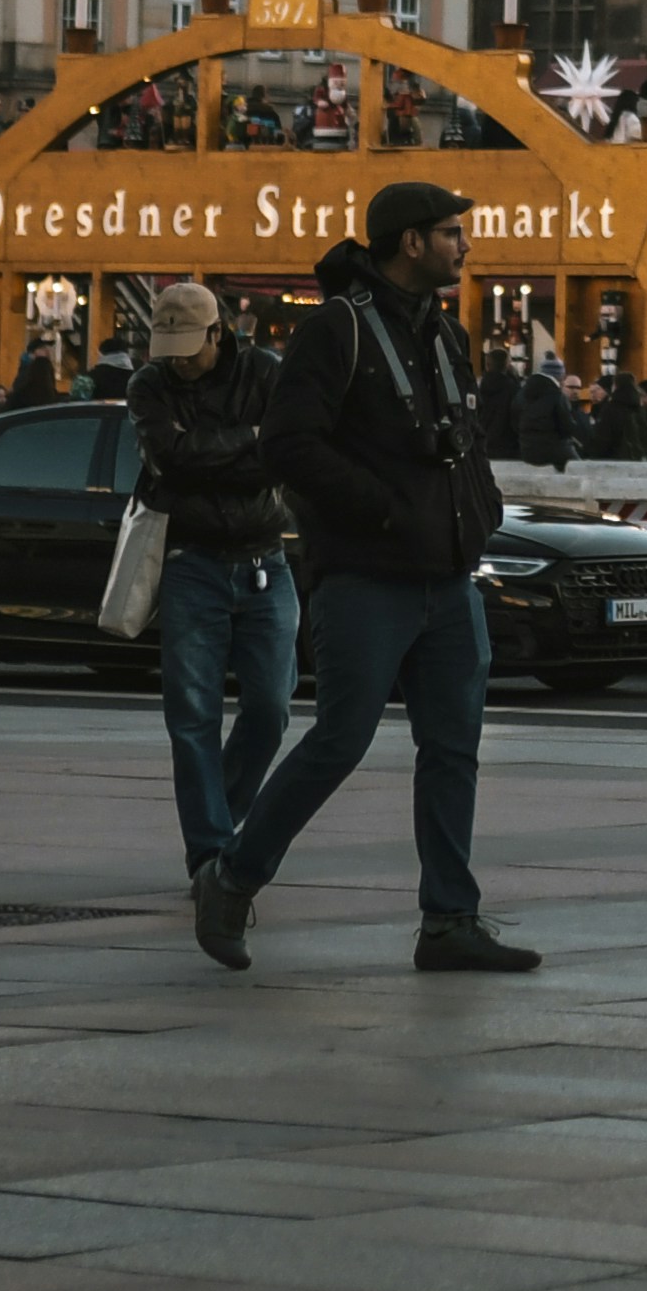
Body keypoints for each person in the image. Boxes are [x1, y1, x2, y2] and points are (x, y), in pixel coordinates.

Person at [223, 178, 524, 972]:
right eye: (453, 233)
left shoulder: (443, 332)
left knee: (453, 748)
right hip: (367, 578)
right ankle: (234, 877)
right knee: (340, 740)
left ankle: (450, 922)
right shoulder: (337, 331)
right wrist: (383, 507)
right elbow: (287, 445)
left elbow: (463, 435)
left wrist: (480, 509)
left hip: (449, 580)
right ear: (411, 242)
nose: (466, 246)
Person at [125, 275, 305, 895]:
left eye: (188, 348)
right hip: (189, 560)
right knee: (192, 716)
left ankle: (222, 824)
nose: (178, 364)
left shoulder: (266, 372)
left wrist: (215, 452)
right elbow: (169, 457)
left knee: (270, 708)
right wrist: (244, 446)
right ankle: (209, 853)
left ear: (219, 333)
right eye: (166, 349)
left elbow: (278, 454)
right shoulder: (148, 384)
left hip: (264, 556)